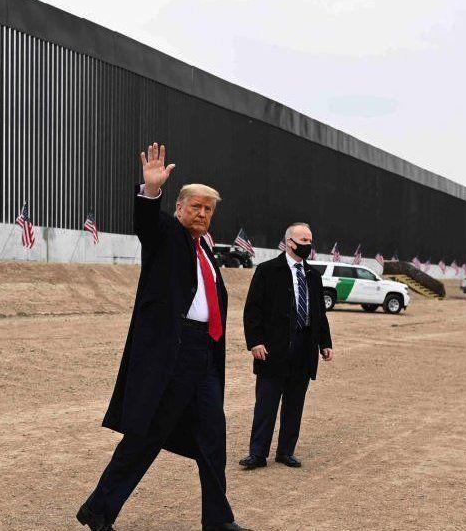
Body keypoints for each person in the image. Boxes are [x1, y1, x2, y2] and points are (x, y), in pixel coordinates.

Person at [77, 143, 250, 531]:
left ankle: (219, 521)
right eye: (195, 207)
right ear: (179, 208)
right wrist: (151, 190)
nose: (202, 213)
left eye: (208, 209)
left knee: (213, 438)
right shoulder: (168, 236)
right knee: (144, 438)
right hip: (171, 355)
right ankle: (98, 511)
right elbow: (146, 224)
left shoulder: (205, 250)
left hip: (203, 355)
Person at [239, 223, 332, 470]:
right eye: (303, 239)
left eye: (310, 240)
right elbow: (253, 310)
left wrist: (325, 343)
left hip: (304, 349)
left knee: (294, 404)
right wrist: (255, 342)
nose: (308, 244)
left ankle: (286, 452)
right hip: (273, 349)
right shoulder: (268, 271)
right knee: (266, 405)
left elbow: (319, 313)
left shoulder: (313, 276)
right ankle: (257, 454)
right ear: (289, 242)